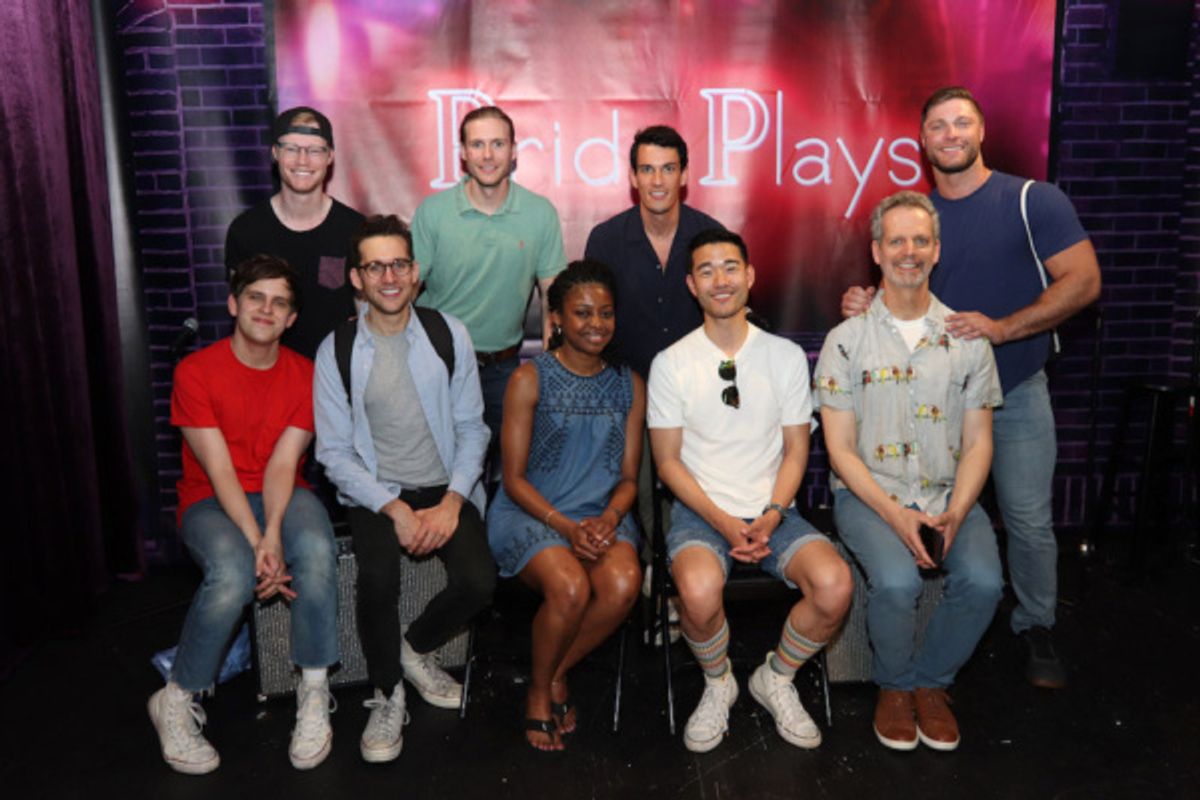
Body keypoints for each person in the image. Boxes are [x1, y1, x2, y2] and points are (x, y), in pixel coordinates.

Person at [841, 87, 1101, 688]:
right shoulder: (919, 217)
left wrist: (1003, 329)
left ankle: (1036, 626)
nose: (950, 134)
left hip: (1014, 393)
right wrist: (864, 301)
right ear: (923, 140)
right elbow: (901, 299)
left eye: (962, 122)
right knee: (956, 529)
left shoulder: (1033, 200)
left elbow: (1084, 282)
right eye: (938, 125)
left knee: (1028, 518)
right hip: (932, 408)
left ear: (981, 131)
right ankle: (941, 636)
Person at [648, 229, 852, 753]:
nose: (721, 280)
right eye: (708, 271)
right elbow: (667, 464)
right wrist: (722, 521)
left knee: (834, 587)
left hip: (773, 510)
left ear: (750, 275)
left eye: (730, 267)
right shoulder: (671, 363)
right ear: (692, 285)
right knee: (695, 592)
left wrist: (771, 513)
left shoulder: (784, 356)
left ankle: (775, 678)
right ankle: (720, 682)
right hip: (701, 514)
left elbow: (796, 452)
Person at [817, 191, 1004, 752]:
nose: (909, 251)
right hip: (869, 495)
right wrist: (896, 516)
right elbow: (841, 451)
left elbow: (978, 442)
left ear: (936, 250)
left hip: (950, 493)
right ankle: (894, 688)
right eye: (896, 240)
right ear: (876, 251)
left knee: (985, 582)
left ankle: (931, 682)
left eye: (920, 240)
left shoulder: (967, 340)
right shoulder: (845, 342)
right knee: (897, 583)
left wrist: (957, 511)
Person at [314, 215, 495, 763]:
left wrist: (452, 502)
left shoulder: (448, 334)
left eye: (398, 264)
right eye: (375, 266)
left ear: (415, 272)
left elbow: (472, 428)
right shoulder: (337, 349)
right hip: (376, 489)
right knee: (375, 580)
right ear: (357, 278)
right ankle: (387, 692)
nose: (388, 276)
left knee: (480, 582)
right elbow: (334, 453)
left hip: (445, 484)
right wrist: (393, 508)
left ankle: (414, 650)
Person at [149, 255, 339, 774]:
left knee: (319, 551)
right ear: (234, 303)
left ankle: (315, 692)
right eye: (256, 297)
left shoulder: (307, 375)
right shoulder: (196, 372)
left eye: (279, 303)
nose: (266, 309)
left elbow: (283, 465)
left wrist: (273, 533)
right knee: (234, 572)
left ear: (292, 318)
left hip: (280, 493)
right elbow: (219, 472)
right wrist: (258, 544)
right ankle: (176, 697)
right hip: (210, 497)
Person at [486, 260, 645, 751]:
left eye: (605, 312)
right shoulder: (529, 379)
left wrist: (610, 518)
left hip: (600, 516)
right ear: (555, 318)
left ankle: (556, 669)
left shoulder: (629, 384)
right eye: (582, 313)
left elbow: (627, 479)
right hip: (531, 513)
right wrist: (564, 525)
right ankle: (540, 690)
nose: (596, 323)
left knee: (624, 583)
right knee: (571, 586)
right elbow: (511, 480)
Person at [585, 125, 725, 557]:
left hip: (700, 399)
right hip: (630, 401)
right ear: (632, 177)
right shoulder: (606, 240)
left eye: (668, 169)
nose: (658, 181)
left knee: (702, 500)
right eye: (647, 169)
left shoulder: (712, 238)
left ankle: (692, 571)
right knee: (642, 500)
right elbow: (592, 328)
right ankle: (658, 576)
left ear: (684, 175)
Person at [412, 105, 566, 460]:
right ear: (463, 154)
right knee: (438, 471)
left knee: (508, 475)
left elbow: (552, 298)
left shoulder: (539, 213)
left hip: (503, 368)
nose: (487, 155)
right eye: (477, 145)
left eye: (497, 144)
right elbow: (405, 289)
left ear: (514, 151)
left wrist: (553, 368)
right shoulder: (433, 212)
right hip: (437, 365)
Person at [225, 106, 364, 359]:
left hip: (337, 379)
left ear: (330, 156)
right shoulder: (246, 231)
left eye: (314, 150)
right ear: (275, 153)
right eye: (291, 149)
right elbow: (242, 317)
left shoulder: (355, 229)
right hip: (268, 379)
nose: (303, 160)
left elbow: (367, 317)